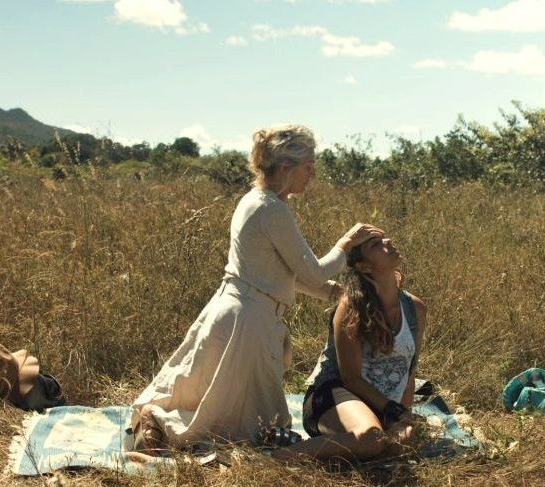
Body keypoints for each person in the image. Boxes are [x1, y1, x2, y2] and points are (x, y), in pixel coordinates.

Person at [130, 124, 383, 453]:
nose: (313, 175)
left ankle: (156, 423)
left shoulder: (263, 203)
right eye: (309, 167)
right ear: (285, 169)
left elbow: (288, 274)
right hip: (246, 319)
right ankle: (157, 424)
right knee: (230, 427)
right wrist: (346, 246)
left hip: (241, 312)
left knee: (224, 408)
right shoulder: (269, 209)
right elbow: (311, 270)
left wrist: (338, 294)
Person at [270, 233, 427, 463]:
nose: (389, 243)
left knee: (397, 448)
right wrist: (393, 411)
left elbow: (409, 370)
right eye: (376, 244)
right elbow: (351, 378)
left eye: (385, 239)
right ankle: (277, 456)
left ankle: (325, 447)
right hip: (335, 397)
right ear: (365, 268)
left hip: (385, 407)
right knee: (370, 438)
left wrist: (404, 416)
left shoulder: (416, 308)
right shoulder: (352, 307)